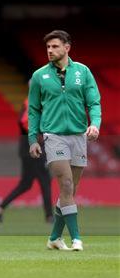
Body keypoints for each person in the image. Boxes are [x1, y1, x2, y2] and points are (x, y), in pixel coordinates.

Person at [28, 30, 101, 251]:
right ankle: (76, 239)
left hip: (79, 135)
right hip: (53, 136)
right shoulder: (39, 76)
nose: (50, 51)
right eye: (48, 47)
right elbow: (33, 110)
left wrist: (94, 123)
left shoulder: (83, 72)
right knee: (66, 184)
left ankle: (54, 238)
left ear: (67, 47)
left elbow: (94, 102)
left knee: (70, 190)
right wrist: (33, 139)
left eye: (55, 46)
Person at [0, 91, 53, 224]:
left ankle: (0, 208)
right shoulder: (32, 100)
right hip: (33, 149)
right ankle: (49, 217)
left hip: (27, 149)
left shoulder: (29, 100)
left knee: (26, 184)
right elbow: (25, 121)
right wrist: (37, 135)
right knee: (45, 180)